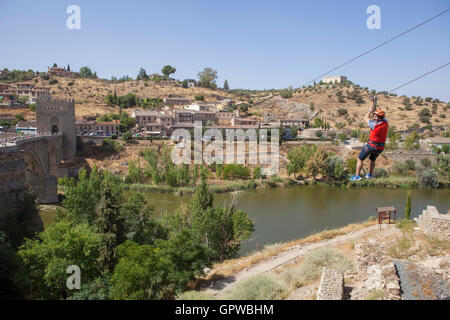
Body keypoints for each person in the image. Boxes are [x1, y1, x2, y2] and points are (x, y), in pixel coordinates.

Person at [350, 107, 388, 181]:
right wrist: (376, 107)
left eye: (375, 116)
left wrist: (370, 111)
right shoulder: (385, 123)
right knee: (372, 159)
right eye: (374, 115)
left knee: (360, 159)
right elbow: (383, 114)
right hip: (380, 148)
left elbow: (365, 118)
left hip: (371, 146)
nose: (374, 117)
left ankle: (357, 176)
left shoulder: (374, 124)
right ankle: (369, 175)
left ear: (379, 118)